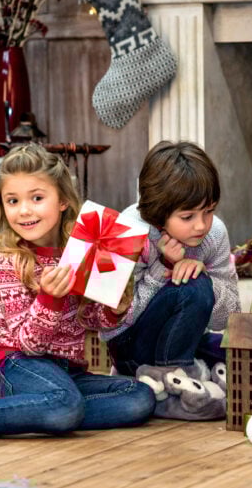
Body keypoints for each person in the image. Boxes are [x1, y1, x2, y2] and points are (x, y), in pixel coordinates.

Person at [0, 144, 155, 450]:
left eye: (37, 198)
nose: (24, 210)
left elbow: (91, 320)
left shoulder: (81, 250)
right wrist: (49, 299)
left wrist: (115, 308)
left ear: (63, 200)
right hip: (19, 364)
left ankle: (42, 410)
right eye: (12, 201)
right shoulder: (7, 261)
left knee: (139, 397)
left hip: (69, 371)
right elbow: (29, 344)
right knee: (65, 405)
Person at [103, 141, 241, 416]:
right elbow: (111, 320)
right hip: (129, 344)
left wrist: (205, 277)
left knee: (242, 354)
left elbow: (230, 316)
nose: (201, 225)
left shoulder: (215, 234)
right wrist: (163, 268)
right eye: (188, 216)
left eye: (209, 211)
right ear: (159, 213)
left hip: (186, 340)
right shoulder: (126, 230)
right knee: (193, 287)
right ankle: (170, 381)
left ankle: (179, 376)